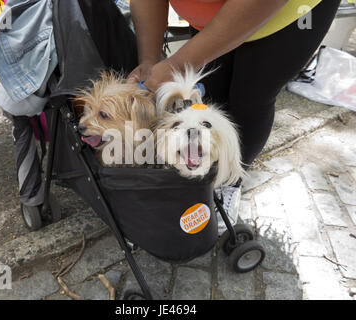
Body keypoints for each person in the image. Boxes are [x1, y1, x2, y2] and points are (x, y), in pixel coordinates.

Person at [127, 0, 341, 232]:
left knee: (250, 98)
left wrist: (178, 64)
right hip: (212, 12)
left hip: (293, 13)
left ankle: (229, 182)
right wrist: (149, 59)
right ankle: (202, 176)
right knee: (212, 92)